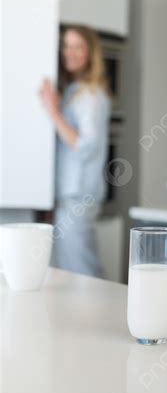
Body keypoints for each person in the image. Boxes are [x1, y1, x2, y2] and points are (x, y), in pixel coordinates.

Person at [39, 25, 111, 277]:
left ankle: (100, 316)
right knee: (69, 272)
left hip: (79, 198)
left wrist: (52, 111)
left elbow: (85, 147)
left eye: (78, 46)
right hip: (67, 198)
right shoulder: (73, 91)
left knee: (83, 271)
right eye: (66, 45)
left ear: (90, 53)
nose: (69, 52)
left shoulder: (91, 96)